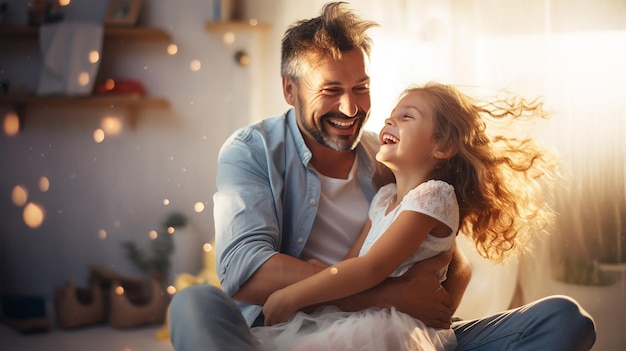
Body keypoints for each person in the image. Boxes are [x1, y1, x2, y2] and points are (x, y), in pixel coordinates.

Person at [168, 3, 596, 350]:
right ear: (289, 90)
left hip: (396, 330)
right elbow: (246, 271)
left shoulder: (385, 156)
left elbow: (446, 255)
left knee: (563, 318)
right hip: (302, 329)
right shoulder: (251, 150)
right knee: (193, 304)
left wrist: (431, 308)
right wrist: (384, 298)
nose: (351, 109)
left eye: (361, 87)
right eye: (331, 90)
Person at [247, 82, 566, 351]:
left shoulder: (434, 196)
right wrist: (321, 273)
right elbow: (351, 261)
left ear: (443, 146)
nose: (390, 122)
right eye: (390, 117)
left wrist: (295, 294)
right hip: (367, 315)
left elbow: (372, 267)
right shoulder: (384, 198)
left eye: (406, 117)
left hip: (399, 329)